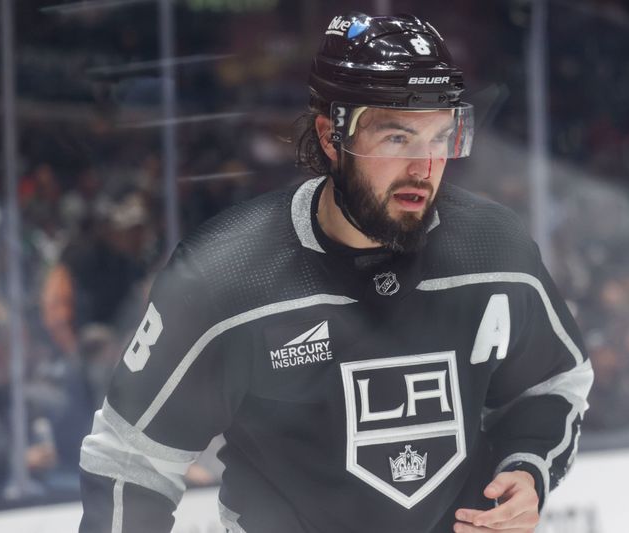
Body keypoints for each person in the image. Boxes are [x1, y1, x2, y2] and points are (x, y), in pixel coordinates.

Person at [79, 12, 593, 533]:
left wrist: (528, 471)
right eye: (397, 138)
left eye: (441, 137)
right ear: (330, 136)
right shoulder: (224, 277)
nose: (425, 167)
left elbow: (553, 383)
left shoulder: (495, 251)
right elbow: (131, 461)